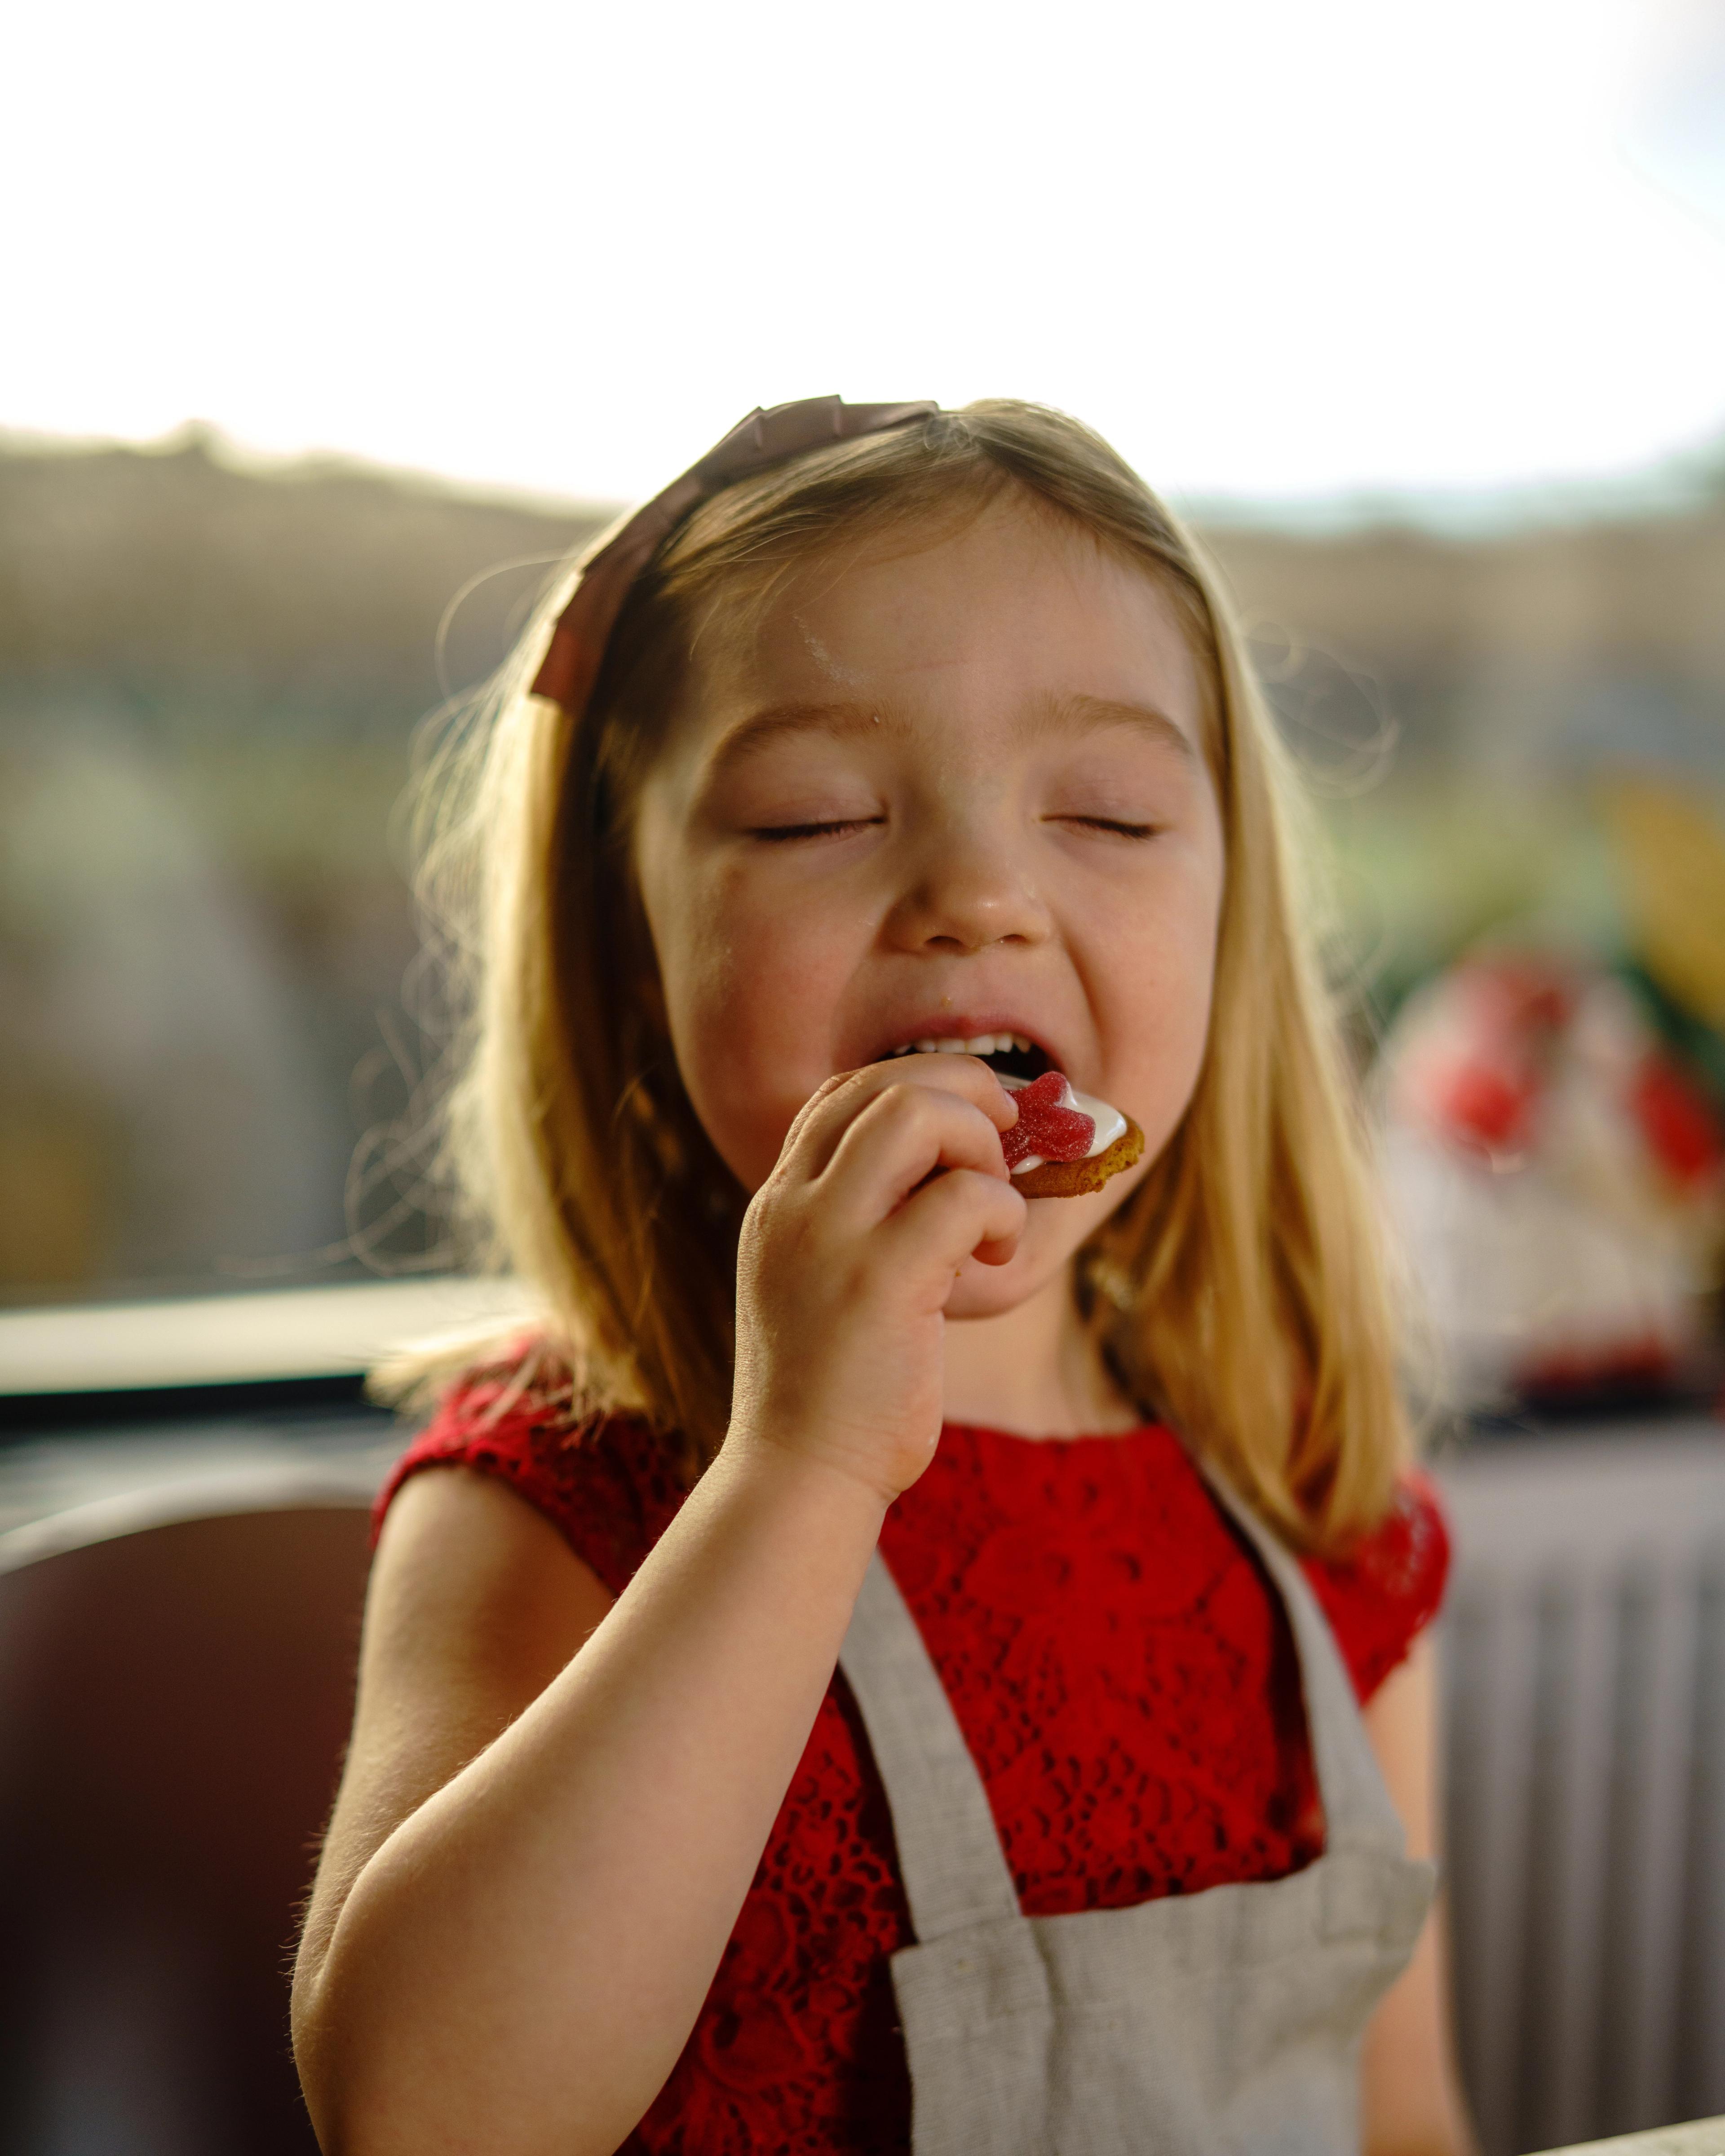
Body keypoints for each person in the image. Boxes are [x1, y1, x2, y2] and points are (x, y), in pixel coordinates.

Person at [291, 398, 1475, 2156]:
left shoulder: (1320, 1514)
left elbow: (1407, 2119)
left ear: (1228, 929)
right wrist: (803, 1468)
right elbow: (425, 2116)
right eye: (811, 817)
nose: (980, 893)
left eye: (1111, 814)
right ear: (630, 952)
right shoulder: (552, 1499)